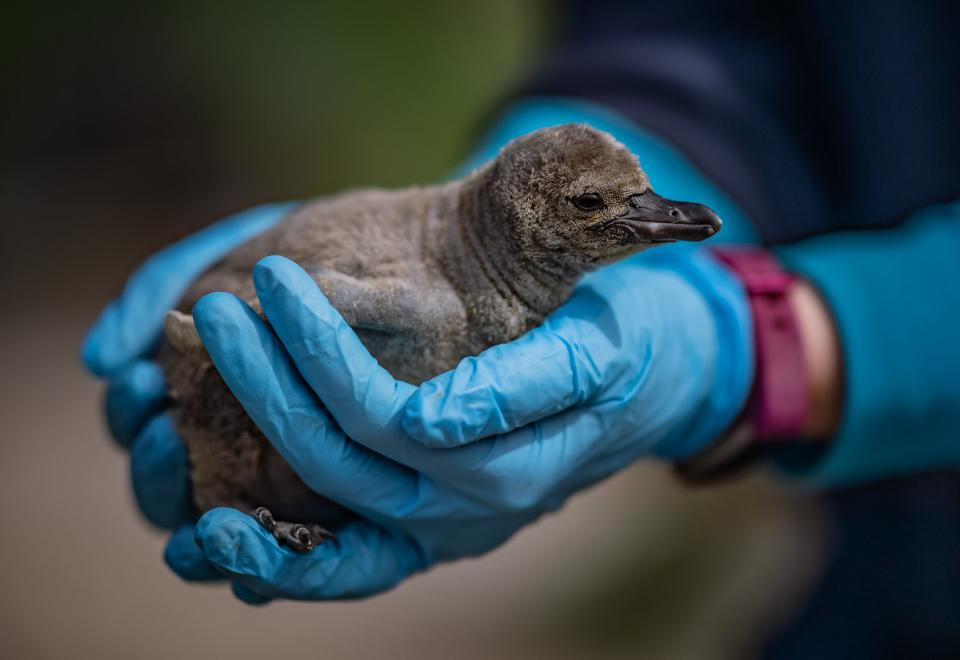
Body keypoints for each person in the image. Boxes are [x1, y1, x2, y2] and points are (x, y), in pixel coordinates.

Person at [83, 1, 960, 654]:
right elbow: (692, 30)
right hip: (884, 592)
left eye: (633, 197)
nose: (657, 217)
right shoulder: (461, 292)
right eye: (598, 204)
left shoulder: (485, 300)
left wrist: (781, 341)